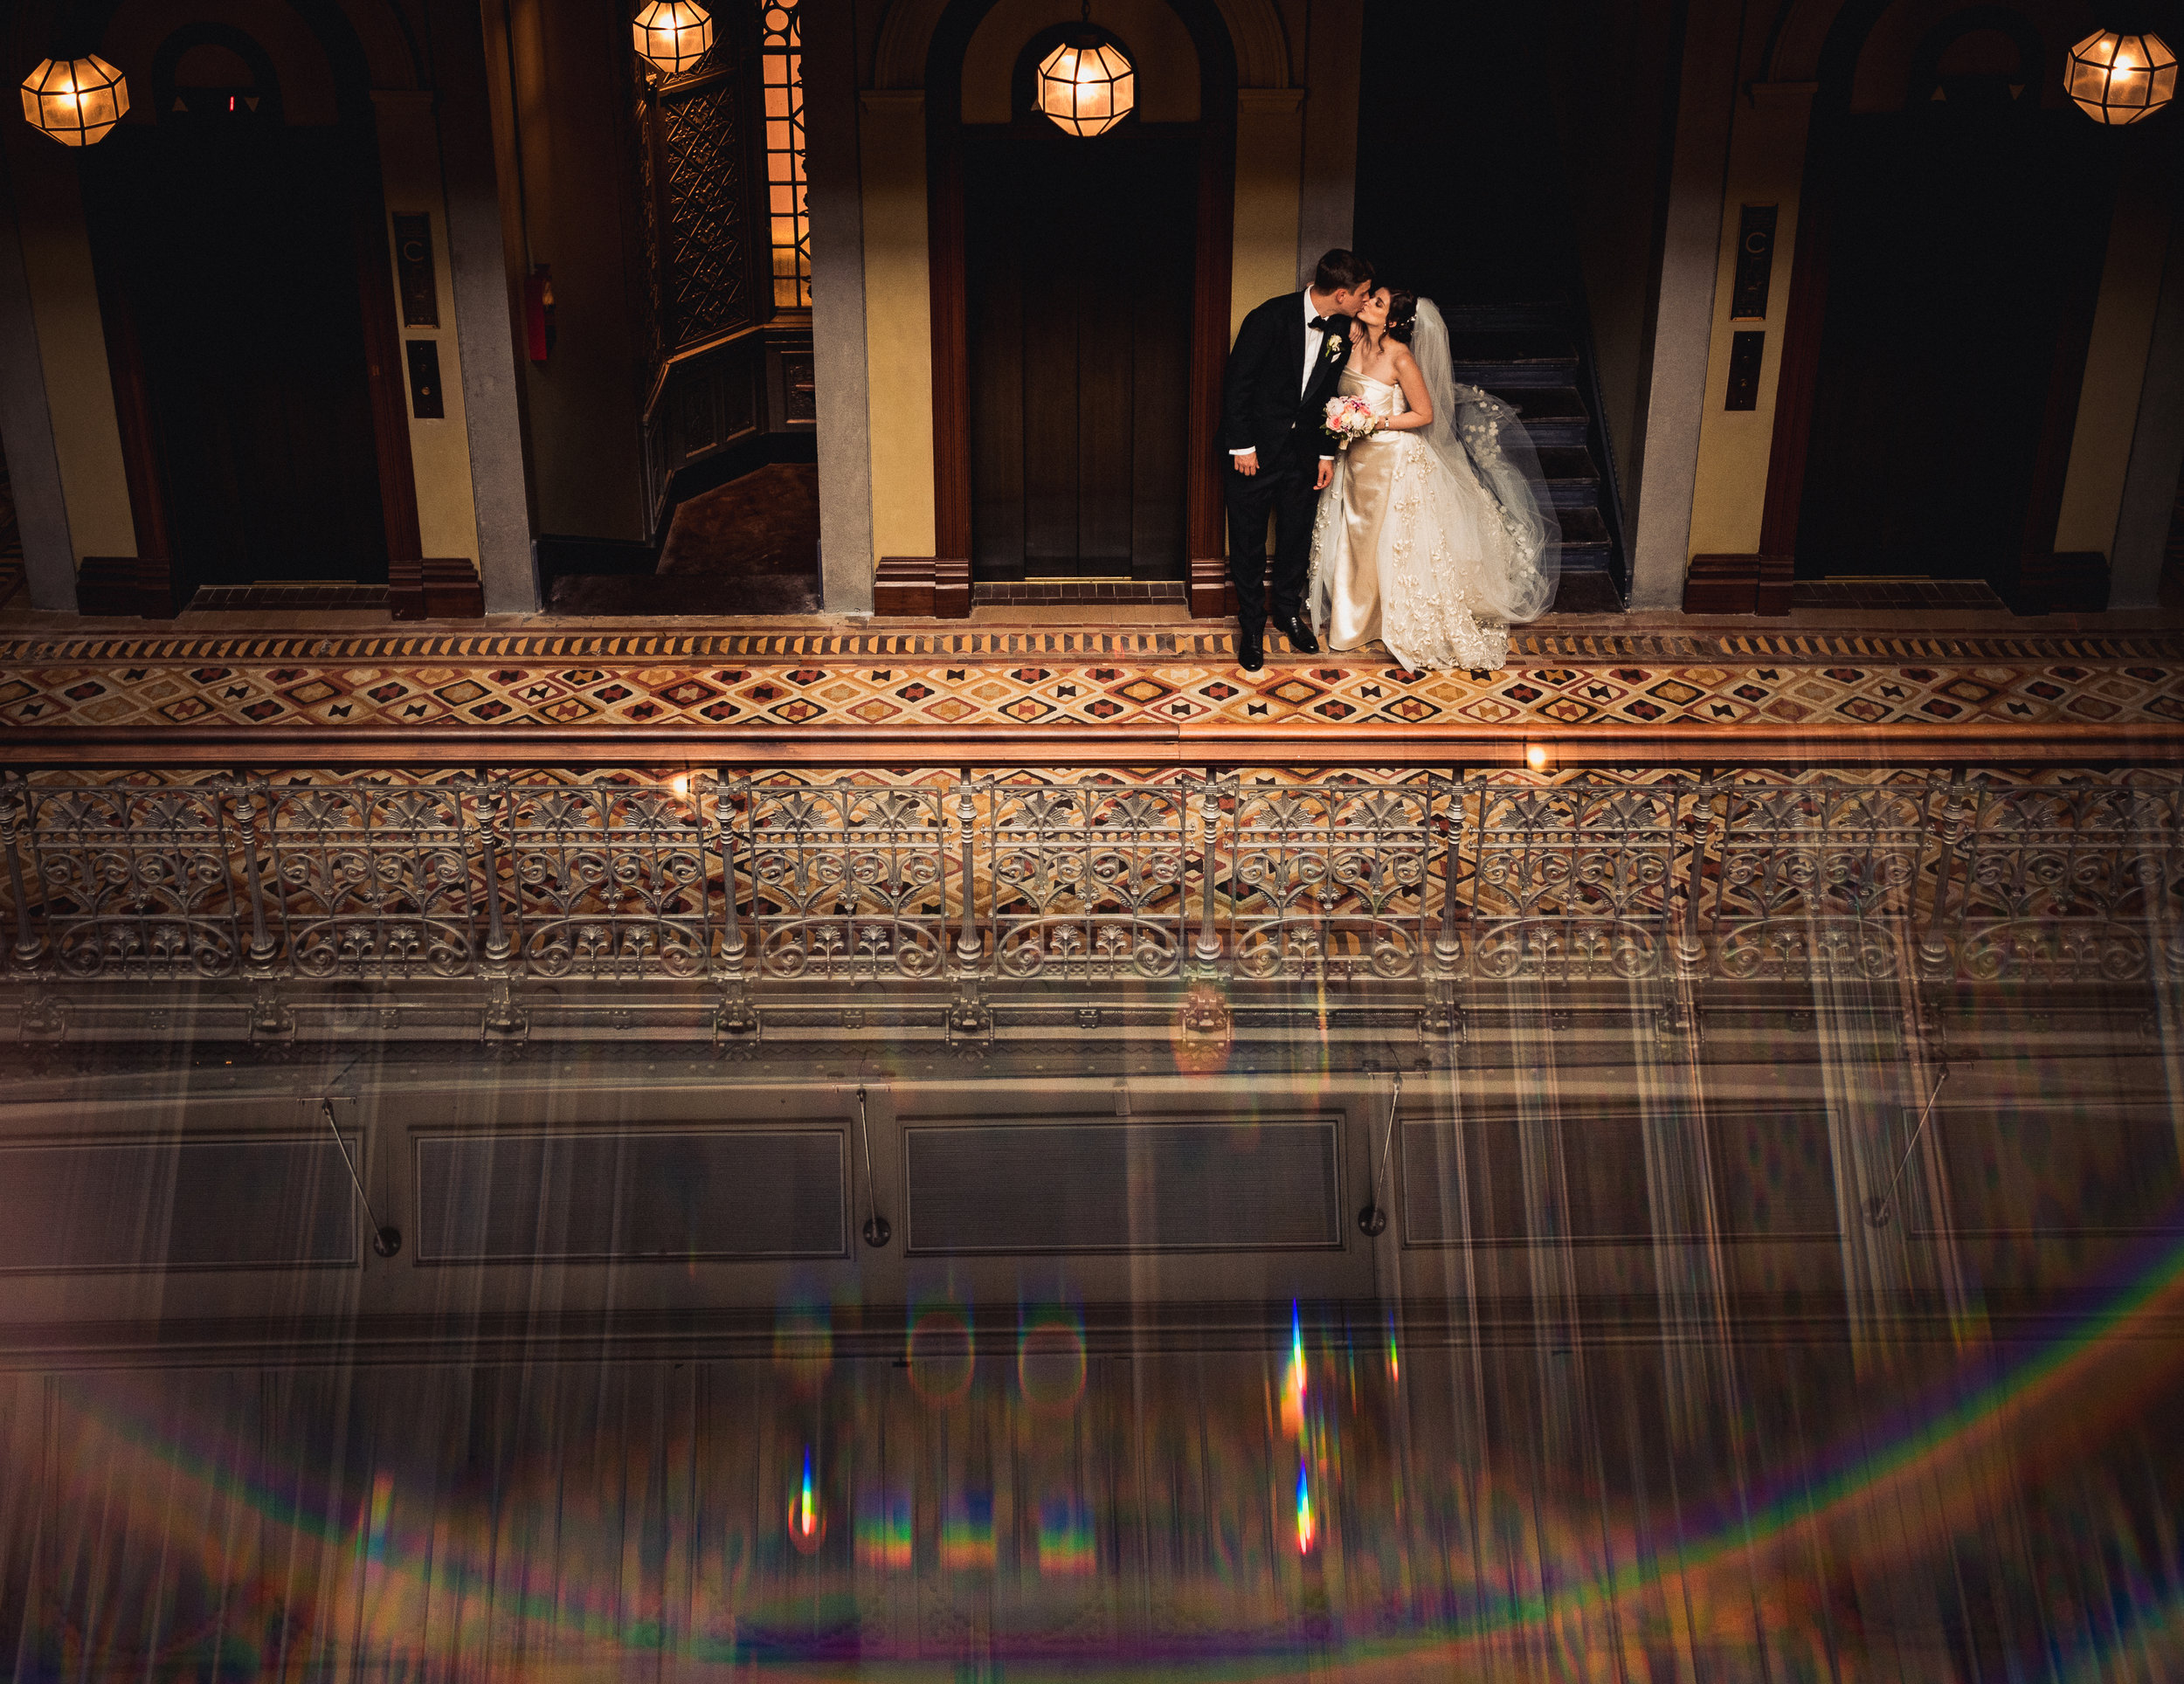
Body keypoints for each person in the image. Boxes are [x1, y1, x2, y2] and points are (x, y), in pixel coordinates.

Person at [1306, 288, 1559, 673]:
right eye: (1370, 297)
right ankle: (1356, 618)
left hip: (1393, 461)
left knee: (1392, 543)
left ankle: (1388, 617)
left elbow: (1424, 414)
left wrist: (1375, 421)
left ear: (1392, 321)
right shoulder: (1351, 336)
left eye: (1377, 303)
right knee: (1356, 540)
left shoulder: (1402, 358)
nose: (1368, 303)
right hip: (1353, 461)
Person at [1220, 249, 1378, 672]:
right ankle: (1251, 625)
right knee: (1249, 541)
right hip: (1253, 454)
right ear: (1341, 293)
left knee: (1296, 538)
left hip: (1305, 455)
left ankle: (1287, 612)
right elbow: (1237, 385)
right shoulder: (1268, 317)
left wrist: (1326, 452)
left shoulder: (1345, 328)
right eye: (1362, 293)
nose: (1366, 300)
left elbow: (1329, 397)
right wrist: (1242, 447)